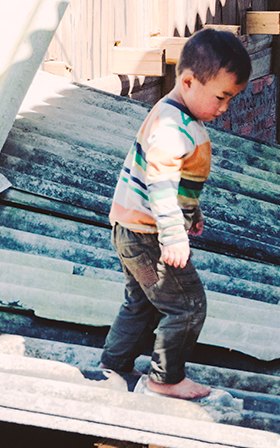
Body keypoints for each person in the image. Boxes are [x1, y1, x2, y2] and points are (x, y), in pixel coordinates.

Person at [99, 28, 251, 400]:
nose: (224, 107)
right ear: (187, 81)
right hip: (148, 235)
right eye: (221, 97)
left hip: (131, 230)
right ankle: (165, 379)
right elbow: (161, 184)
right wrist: (172, 234)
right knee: (187, 305)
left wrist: (190, 212)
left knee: (142, 303)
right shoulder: (171, 126)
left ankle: (112, 366)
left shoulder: (177, 115)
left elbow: (179, 183)